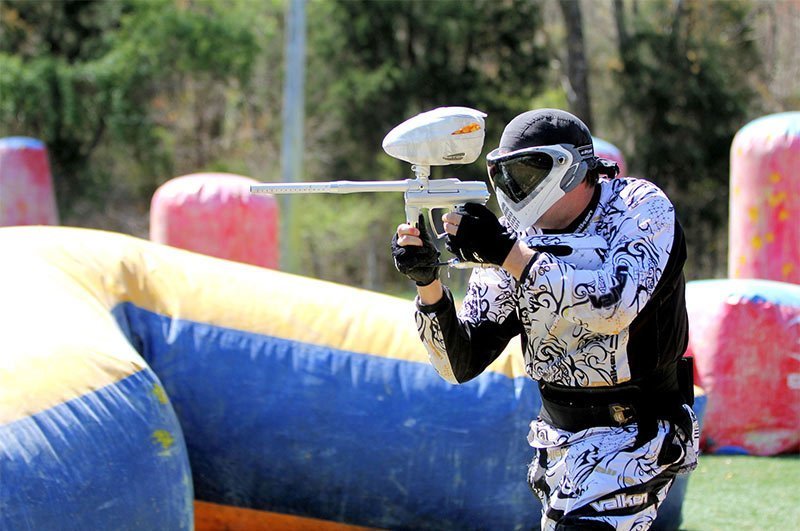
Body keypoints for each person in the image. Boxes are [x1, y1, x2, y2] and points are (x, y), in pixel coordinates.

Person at [391, 108, 699, 530]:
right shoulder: (512, 235)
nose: (515, 190)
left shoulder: (639, 208)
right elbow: (458, 363)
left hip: (637, 436)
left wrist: (509, 256)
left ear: (569, 168)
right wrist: (427, 284)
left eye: (526, 173)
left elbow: (614, 305)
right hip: (558, 445)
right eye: (506, 176)